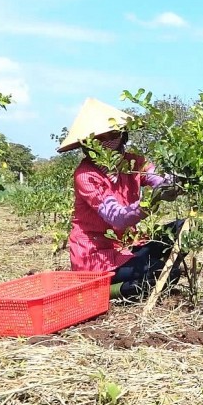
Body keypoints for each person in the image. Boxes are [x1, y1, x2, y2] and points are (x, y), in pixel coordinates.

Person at [58, 98, 183, 300]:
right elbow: (117, 217)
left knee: (183, 228)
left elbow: (156, 178)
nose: (107, 141)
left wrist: (174, 183)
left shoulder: (133, 162)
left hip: (127, 246)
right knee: (163, 273)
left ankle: (147, 274)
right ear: (86, 144)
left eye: (113, 135)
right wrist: (150, 202)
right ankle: (110, 292)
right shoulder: (86, 176)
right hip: (95, 257)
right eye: (100, 138)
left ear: (123, 135)